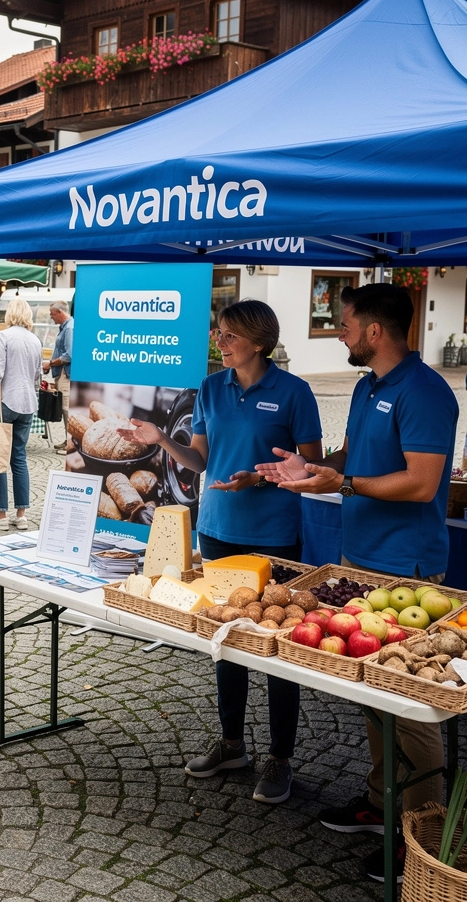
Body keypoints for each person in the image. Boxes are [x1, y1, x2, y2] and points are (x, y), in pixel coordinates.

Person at [257, 282, 458, 883]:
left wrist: (340, 486)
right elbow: (355, 457)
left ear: (374, 331)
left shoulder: (425, 391)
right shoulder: (371, 385)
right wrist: (315, 469)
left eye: (344, 324)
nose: (338, 331)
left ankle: (426, 833)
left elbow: (422, 484)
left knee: (414, 710)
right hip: (365, 562)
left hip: (409, 568)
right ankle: (383, 801)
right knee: (376, 698)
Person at [119, 299, 322, 805]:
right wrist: (162, 438)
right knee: (224, 641)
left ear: (257, 342)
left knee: (277, 650)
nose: (219, 341)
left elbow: (311, 465)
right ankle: (233, 745)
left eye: (228, 335)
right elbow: (200, 460)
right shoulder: (210, 388)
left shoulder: (295, 392)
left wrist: (262, 477)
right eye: (219, 333)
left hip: (273, 533)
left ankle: (281, 756)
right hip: (217, 530)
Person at [0, 295, 42, 532]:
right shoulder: (35, 340)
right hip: (27, 404)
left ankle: (1, 516)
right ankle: (21, 515)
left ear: (10, 314)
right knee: (19, 458)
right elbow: (38, 376)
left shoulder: (3, 337)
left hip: (6, 403)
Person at [42, 300, 72, 454]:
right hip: (62, 373)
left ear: (60, 312)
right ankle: (68, 440)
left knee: (67, 409)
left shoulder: (69, 328)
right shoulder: (65, 327)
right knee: (64, 408)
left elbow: (69, 355)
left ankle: (71, 444)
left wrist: (51, 363)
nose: (51, 317)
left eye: (52, 314)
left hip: (66, 374)